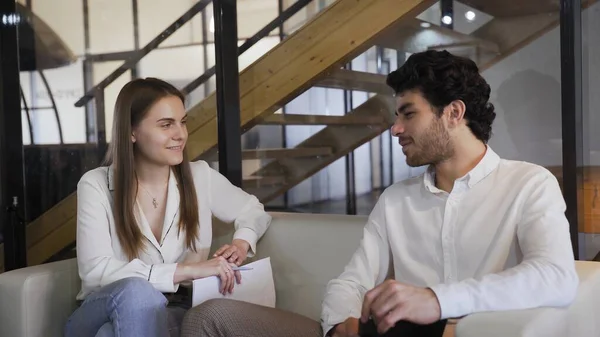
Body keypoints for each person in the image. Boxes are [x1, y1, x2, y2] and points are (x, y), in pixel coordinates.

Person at [321, 50, 579, 337]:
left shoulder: (529, 183)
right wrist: (340, 326)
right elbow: (351, 284)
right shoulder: (395, 200)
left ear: (454, 113)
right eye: (397, 117)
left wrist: (436, 300)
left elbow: (556, 277)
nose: (396, 129)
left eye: (409, 114)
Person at [63, 77, 272, 337]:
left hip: (171, 309)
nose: (180, 134)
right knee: (137, 293)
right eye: (166, 125)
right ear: (131, 131)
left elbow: (253, 210)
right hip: (99, 309)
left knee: (109, 334)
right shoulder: (96, 185)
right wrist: (186, 270)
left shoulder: (199, 177)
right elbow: (95, 272)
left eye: (183, 122)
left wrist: (241, 244)